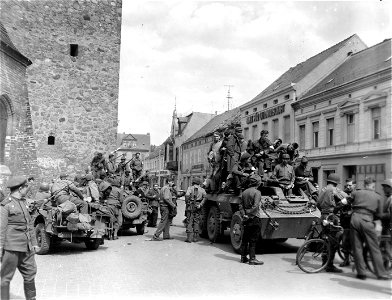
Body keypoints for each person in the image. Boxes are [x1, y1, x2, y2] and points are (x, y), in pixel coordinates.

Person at [340, 177, 391, 280]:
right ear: (373, 185)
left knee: (357, 247)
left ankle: (361, 273)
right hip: (367, 221)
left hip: (354, 220)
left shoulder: (356, 193)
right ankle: (381, 273)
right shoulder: (378, 197)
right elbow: (380, 215)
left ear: (364, 184)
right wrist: (388, 215)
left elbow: (343, 202)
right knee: (374, 247)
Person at [0, 176, 39, 300]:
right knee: (6, 277)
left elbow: (29, 225)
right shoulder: (6, 205)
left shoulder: (23, 203)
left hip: (26, 247)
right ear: (20, 188)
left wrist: (34, 243)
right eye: (26, 187)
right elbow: (1, 229)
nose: (27, 189)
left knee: (30, 274)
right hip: (11, 247)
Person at [316, 173, 347, 273]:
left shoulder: (323, 189)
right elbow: (346, 198)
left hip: (323, 216)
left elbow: (318, 204)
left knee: (325, 240)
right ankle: (329, 265)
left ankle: (324, 263)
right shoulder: (334, 190)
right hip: (332, 217)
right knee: (333, 241)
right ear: (336, 183)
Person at [238, 174, 264, 265]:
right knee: (253, 240)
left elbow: (240, 205)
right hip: (254, 218)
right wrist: (249, 214)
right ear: (258, 183)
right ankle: (252, 259)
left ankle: (243, 257)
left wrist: (244, 214)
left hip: (245, 219)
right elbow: (255, 206)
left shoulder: (244, 192)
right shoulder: (257, 192)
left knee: (245, 239)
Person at [184, 177, 206, 243]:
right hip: (198, 206)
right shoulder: (202, 189)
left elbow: (187, 195)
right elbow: (205, 197)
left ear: (193, 182)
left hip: (190, 206)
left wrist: (187, 202)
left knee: (189, 221)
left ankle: (189, 238)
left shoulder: (190, 188)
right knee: (196, 221)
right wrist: (201, 204)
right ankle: (195, 238)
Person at [339, 178, 355, 267]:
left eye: (350, 185)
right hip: (345, 220)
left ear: (354, 185)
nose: (348, 187)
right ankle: (346, 259)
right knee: (344, 241)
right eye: (347, 185)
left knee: (353, 241)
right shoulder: (343, 193)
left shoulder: (355, 194)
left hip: (353, 220)